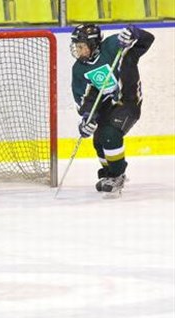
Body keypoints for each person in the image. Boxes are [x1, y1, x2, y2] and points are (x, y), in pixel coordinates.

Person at [70, 24, 154, 197]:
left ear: (93, 44)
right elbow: (84, 99)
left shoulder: (113, 46)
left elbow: (147, 40)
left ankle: (117, 175)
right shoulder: (79, 69)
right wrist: (88, 118)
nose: (78, 51)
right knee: (98, 140)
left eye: (81, 46)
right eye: (76, 46)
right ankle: (109, 174)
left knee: (110, 134)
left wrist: (134, 33)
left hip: (128, 101)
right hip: (107, 106)